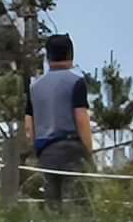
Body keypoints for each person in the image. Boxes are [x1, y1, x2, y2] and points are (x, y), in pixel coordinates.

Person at [28, 34, 97, 207]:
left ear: (47, 57)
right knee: (79, 207)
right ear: (70, 55)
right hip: (72, 150)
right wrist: (89, 153)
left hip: (46, 153)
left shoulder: (34, 88)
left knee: (53, 208)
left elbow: (29, 127)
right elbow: (81, 119)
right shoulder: (75, 82)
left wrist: (37, 152)